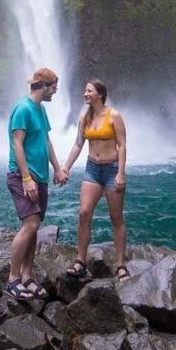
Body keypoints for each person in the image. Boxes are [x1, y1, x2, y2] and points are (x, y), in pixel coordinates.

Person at [6, 67, 68, 300]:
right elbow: (17, 144)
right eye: (53, 86)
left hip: (39, 176)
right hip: (23, 175)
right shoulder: (22, 109)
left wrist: (57, 168)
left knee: (35, 227)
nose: (56, 90)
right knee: (30, 224)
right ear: (43, 86)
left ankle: (27, 277)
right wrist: (26, 178)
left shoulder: (40, 110)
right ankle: (13, 279)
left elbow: (46, 140)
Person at [62, 78, 129, 281]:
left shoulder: (113, 115)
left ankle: (121, 265)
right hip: (92, 169)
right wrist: (66, 167)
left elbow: (122, 146)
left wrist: (121, 173)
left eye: (89, 91)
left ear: (100, 94)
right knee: (84, 213)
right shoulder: (85, 117)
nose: (85, 94)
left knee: (116, 218)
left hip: (111, 170)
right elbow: (78, 144)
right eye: (85, 90)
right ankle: (80, 261)